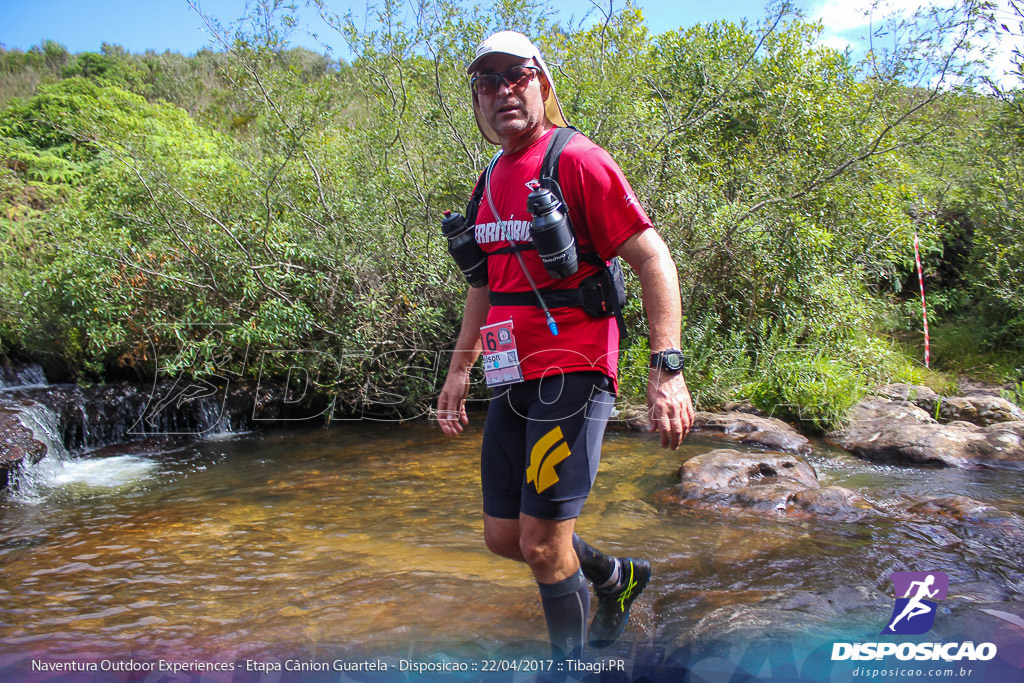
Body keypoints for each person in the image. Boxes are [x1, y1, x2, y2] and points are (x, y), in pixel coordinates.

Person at [436, 30, 695, 662]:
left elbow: (652, 258)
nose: (503, 90)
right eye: (487, 82)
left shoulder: (576, 159)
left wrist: (668, 369)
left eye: (516, 75)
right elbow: (484, 285)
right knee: (506, 536)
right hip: (510, 375)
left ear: (543, 85)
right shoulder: (489, 177)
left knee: (544, 545)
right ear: (476, 102)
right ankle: (616, 578)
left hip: (574, 368)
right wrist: (459, 369)